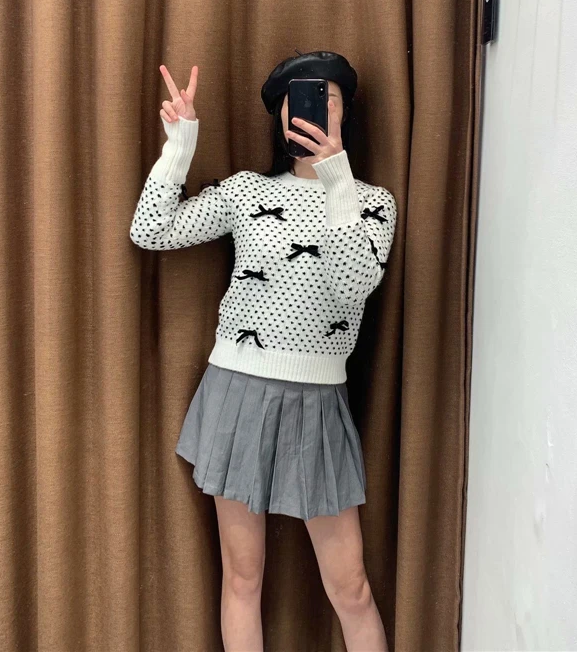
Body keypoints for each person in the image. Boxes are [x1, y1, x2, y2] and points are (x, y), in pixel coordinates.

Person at [130, 50, 396, 652]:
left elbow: (352, 284)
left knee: (351, 588)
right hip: (238, 393)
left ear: (345, 112)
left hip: (318, 402)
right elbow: (151, 230)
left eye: (326, 98)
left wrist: (337, 178)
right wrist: (180, 145)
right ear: (279, 115)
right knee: (243, 578)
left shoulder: (373, 202)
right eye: (297, 100)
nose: (311, 109)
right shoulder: (247, 191)